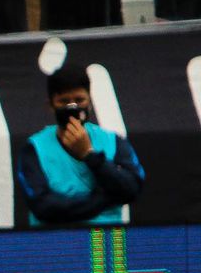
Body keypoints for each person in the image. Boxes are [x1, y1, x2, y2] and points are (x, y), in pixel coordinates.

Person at [15, 63, 144, 226]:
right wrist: (103, 200)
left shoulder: (112, 141)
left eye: (79, 100)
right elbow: (43, 207)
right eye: (63, 101)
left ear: (89, 102)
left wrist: (90, 155)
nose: (72, 108)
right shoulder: (34, 148)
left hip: (104, 241)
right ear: (51, 106)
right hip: (54, 244)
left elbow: (131, 189)